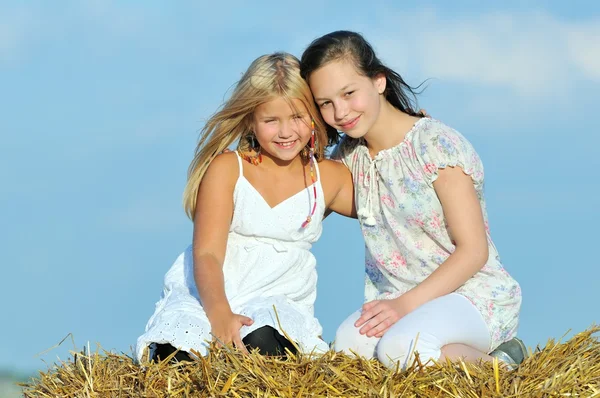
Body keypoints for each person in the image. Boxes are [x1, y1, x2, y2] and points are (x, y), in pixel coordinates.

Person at [300, 31, 525, 370]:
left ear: (379, 81)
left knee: (399, 348)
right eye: (325, 103)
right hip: (398, 300)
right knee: (348, 349)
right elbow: (303, 205)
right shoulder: (350, 158)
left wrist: (404, 306)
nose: (340, 112)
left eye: (349, 93)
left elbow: (474, 251)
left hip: (472, 295)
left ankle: (504, 369)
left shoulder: (436, 145)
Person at [135, 52, 355, 363]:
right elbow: (207, 253)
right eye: (270, 120)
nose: (285, 132)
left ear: (316, 117)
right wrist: (220, 314)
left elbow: (387, 204)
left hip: (277, 298)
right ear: (250, 119)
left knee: (262, 343)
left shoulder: (327, 178)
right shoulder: (228, 168)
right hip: (210, 294)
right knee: (179, 355)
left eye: (297, 117)